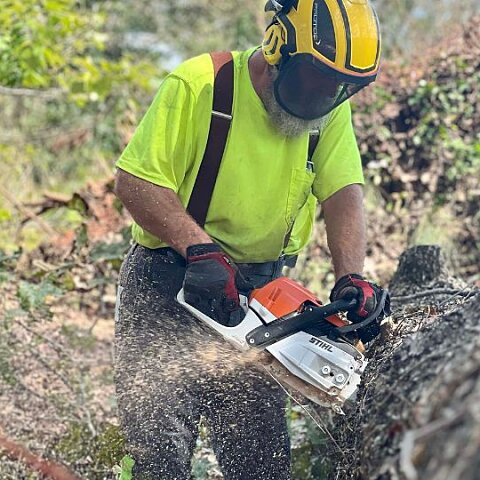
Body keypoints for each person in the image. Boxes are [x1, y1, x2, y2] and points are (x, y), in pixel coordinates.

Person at [113, 0, 390, 478]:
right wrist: (198, 248)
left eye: (341, 87)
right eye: (315, 81)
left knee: (259, 460)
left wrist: (352, 276)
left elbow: (343, 192)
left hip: (257, 297)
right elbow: (137, 182)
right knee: (160, 456)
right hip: (165, 282)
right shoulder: (202, 85)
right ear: (279, 47)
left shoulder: (327, 113)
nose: (325, 96)